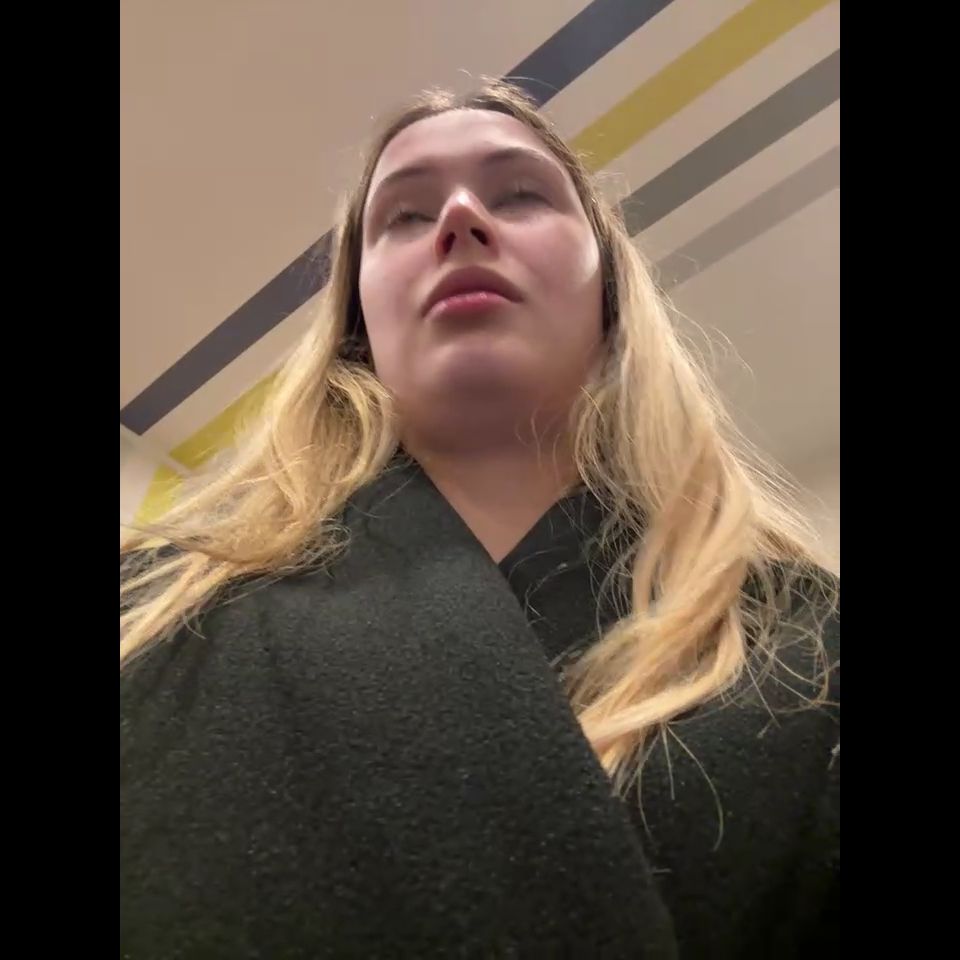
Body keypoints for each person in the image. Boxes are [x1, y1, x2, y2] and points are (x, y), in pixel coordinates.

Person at [120, 79, 839, 958]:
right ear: (356, 313)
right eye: (405, 216)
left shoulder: (809, 641)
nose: (461, 217)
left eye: (522, 194)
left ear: (610, 283)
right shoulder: (151, 608)